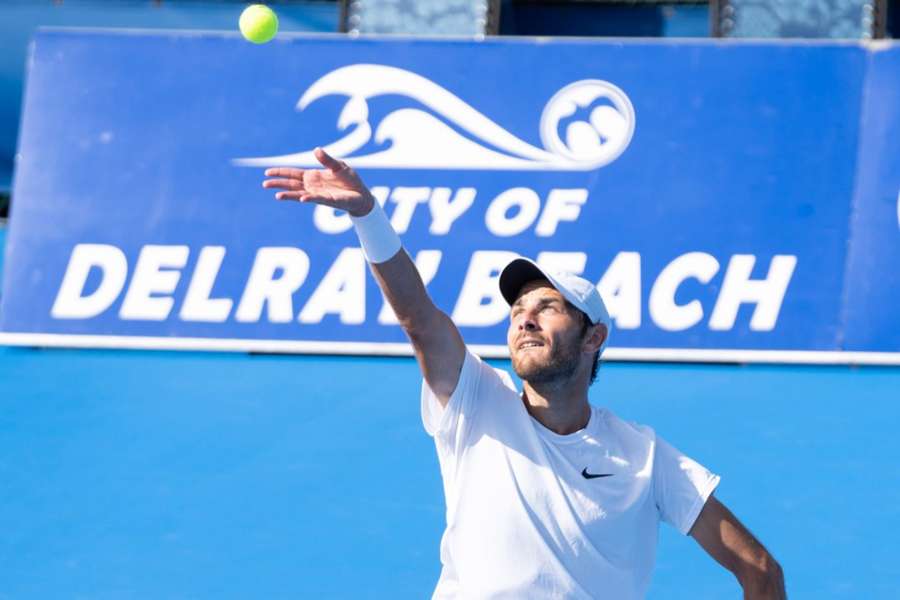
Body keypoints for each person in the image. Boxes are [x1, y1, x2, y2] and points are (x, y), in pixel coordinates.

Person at [262, 148, 786, 599]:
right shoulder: (474, 402)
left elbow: (760, 569)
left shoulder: (644, 456)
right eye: (517, 311)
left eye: (548, 307)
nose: (524, 318)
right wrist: (368, 218)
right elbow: (418, 318)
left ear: (593, 337)